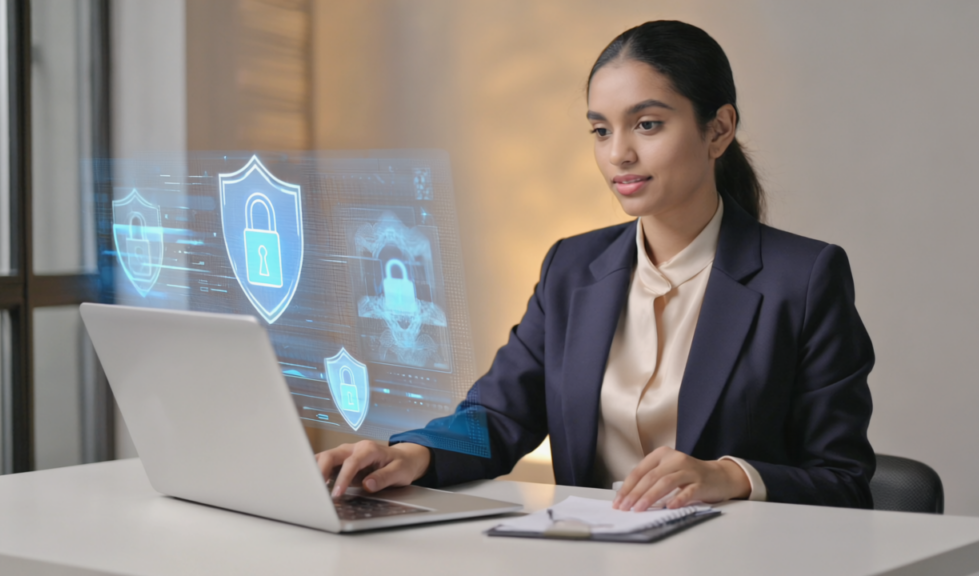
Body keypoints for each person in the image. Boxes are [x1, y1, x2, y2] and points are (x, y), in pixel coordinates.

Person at [316, 20, 875, 511]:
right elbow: (499, 417)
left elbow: (844, 481)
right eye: (602, 130)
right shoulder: (572, 266)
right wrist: (408, 454)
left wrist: (726, 476)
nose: (618, 154)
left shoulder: (802, 279)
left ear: (719, 130)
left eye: (647, 124)